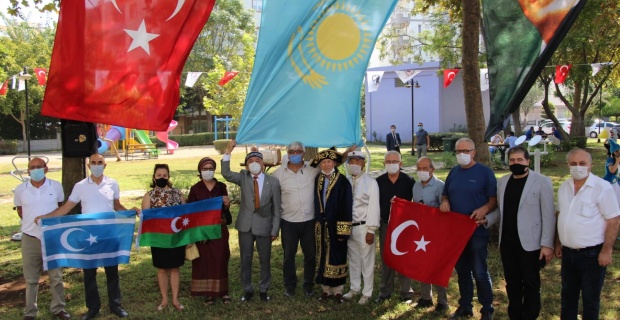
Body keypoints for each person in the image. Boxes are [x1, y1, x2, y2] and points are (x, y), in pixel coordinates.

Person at [35, 153, 132, 320]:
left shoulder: (113, 183)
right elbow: (66, 207)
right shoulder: (80, 186)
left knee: (112, 272)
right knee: (89, 273)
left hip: (108, 234)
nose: (96, 165)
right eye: (93, 163)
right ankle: (93, 308)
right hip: (89, 236)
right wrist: (46, 217)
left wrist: (130, 212)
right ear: (88, 166)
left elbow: (116, 205)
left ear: (105, 165)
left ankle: (116, 305)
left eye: (99, 162)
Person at [483, 147, 555, 319]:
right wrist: (487, 220)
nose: (516, 163)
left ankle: (530, 315)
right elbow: (501, 210)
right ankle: (514, 314)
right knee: (512, 283)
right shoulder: (502, 182)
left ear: (527, 161)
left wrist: (547, 245)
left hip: (531, 243)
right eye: (512, 160)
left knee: (531, 283)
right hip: (507, 243)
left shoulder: (541, 181)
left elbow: (548, 215)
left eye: (520, 160)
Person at [555, 148, 620, 320]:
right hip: (568, 254)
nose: (578, 167)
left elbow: (613, 221)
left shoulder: (602, 187)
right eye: (573, 164)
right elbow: (560, 215)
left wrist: (606, 251)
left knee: (590, 300)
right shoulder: (564, 186)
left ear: (590, 165)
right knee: (568, 297)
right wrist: (558, 243)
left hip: (592, 255)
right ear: (568, 165)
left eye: (582, 164)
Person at [440, 138, 497, 320]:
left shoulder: (485, 173)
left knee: (480, 271)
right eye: (458, 151)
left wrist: (484, 209)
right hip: (456, 232)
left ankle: (487, 308)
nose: (461, 154)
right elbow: (445, 195)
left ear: (473, 152)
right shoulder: (453, 173)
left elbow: (493, 200)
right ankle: (465, 305)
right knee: (463, 271)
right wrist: (445, 201)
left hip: (477, 230)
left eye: (465, 151)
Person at [221, 140, 281, 302]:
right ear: (247, 165)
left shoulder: (272, 181)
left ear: (263, 164)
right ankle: (247, 289)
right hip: (245, 226)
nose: (254, 163)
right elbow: (226, 173)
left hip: (265, 226)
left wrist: (275, 230)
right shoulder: (243, 177)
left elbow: (277, 208)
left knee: (265, 259)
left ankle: (263, 289)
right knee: (245, 259)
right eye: (251, 161)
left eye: (257, 161)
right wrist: (228, 151)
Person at [14, 157, 71, 320]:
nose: (36, 169)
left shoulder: (56, 186)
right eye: (32, 167)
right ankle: (30, 312)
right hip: (30, 237)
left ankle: (58, 308)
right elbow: (20, 210)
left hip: (52, 236)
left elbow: (60, 207)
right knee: (31, 278)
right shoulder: (20, 189)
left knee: (56, 276)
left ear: (46, 169)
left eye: (39, 166)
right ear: (28, 171)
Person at [272, 142, 320, 297]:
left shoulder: (313, 169)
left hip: (309, 220)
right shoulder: (278, 174)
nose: (295, 154)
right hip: (288, 221)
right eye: (291, 151)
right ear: (288, 152)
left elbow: (333, 163)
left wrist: (347, 152)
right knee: (288, 256)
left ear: (304, 153)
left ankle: (308, 285)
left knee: (310, 255)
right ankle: (290, 286)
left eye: (298, 151)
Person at [141, 164, 186, 312]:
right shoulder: (149, 195)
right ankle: (164, 300)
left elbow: (186, 214)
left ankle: (175, 299)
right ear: (154, 177)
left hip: (176, 238)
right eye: (159, 175)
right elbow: (145, 217)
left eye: (164, 175)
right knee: (161, 269)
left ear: (168, 177)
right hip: (159, 238)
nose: (162, 178)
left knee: (174, 269)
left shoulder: (177, 193)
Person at [188, 157, 233, 305]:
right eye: (205, 168)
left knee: (220, 258)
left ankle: (223, 292)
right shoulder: (195, 189)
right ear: (200, 171)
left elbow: (225, 210)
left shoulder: (221, 186)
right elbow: (191, 211)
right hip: (202, 231)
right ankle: (209, 294)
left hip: (219, 228)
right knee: (205, 261)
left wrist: (227, 205)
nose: (208, 171)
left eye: (210, 168)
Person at [311, 147, 353, 304]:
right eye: (323, 162)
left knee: (337, 256)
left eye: (329, 162)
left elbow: (346, 206)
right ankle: (325, 289)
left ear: (335, 163)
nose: (326, 165)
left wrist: (343, 231)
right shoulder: (317, 180)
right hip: (321, 226)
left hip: (337, 226)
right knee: (322, 256)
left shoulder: (342, 181)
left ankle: (338, 290)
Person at [375, 151, 414, 303]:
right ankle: (385, 292)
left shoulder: (409, 181)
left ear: (401, 164)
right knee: (386, 258)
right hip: (385, 224)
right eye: (388, 162)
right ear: (384, 164)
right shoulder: (378, 182)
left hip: (403, 227)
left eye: (394, 161)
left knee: (403, 257)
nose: (391, 164)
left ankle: (406, 292)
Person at [341, 151, 380, 305]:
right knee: (353, 259)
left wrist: (371, 230)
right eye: (352, 161)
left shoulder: (370, 182)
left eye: (358, 161)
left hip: (364, 227)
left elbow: (373, 207)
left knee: (367, 261)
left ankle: (367, 292)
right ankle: (354, 288)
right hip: (348, 227)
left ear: (363, 163)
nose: (354, 164)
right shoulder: (346, 181)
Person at [412, 156, 449, 314]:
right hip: (421, 233)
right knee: (423, 264)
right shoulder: (415, 186)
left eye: (425, 168)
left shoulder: (440, 186)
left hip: (436, 233)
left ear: (432, 170)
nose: (421, 171)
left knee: (438, 266)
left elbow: (446, 209)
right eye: (419, 168)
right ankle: (426, 297)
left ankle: (443, 302)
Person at [603, 140, 620, 205]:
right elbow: (612, 170)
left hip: (616, 182)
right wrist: (617, 161)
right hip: (609, 183)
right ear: (614, 152)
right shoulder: (610, 160)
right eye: (618, 151)